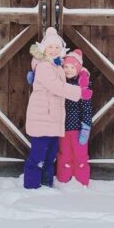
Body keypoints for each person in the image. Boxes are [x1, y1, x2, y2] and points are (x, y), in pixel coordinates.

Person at [23, 26, 83, 190]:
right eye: (51, 47)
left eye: (57, 47)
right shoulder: (43, 66)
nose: (54, 50)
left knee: (50, 158)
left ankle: (46, 185)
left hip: (53, 120)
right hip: (43, 119)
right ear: (44, 49)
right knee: (38, 157)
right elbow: (56, 87)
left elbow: (72, 71)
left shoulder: (57, 66)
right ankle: (32, 186)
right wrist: (78, 92)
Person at [55, 49, 93, 186]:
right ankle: (63, 181)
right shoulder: (59, 84)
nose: (68, 70)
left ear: (78, 69)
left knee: (80, 156)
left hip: (78, 128)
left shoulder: (83, 86)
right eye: (66, 67)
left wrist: (86, 126)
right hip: (62, 128)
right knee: (64, 155)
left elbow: (87, 108)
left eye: (72, 67)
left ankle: (82, 182)